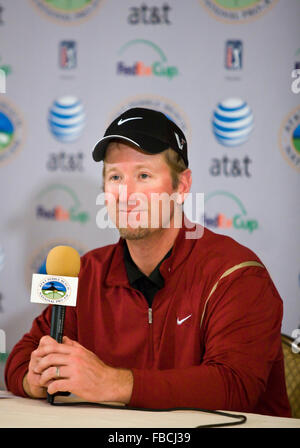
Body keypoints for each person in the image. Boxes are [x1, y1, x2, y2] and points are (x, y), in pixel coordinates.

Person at [5, 107, 291, 417]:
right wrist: (32, 378)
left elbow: (236, 386)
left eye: (143, 175)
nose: (127, 194)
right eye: (115, 176)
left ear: (181, 187)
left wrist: (113, 383)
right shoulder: (84, 271)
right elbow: (21, 357)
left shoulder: (236, 273)